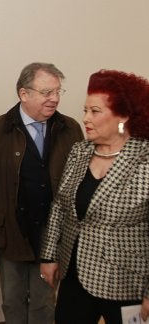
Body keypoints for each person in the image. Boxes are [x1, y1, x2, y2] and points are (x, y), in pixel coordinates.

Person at [0, 62, 83, 324]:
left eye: (57, 91)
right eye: (46, 92)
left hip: (53, 234)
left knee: (44, 303)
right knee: (13, 301)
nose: (54, 99)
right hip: (10, 233)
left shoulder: (70, 129)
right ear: (24, 94)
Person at [40, 69, 149, 324]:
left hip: (126, 281)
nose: (85, 118)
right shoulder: (80, 151)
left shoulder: (144, 159)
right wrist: (49, 256)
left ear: (122, 116)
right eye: (85, 110)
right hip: (74, 274)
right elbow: (60, 207)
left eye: (95, 111)